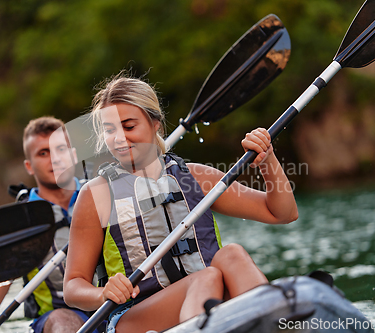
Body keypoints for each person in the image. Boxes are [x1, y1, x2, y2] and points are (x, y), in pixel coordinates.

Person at [63, 75, 299, 333]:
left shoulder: (196, 177)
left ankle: (273, 324)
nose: (119, 139)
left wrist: (268, 160)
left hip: (210, 298)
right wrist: (102, 294)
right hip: (135, 315)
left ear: (156, 125)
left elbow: (283, 213)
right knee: (207, 277)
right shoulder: (95, 195)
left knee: (232, 254)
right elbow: (73, 286)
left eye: (129, 127)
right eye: (110, 131)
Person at [0, 116, 104, 333]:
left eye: (60, 149)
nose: (54, 159)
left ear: (74, 155)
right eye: (43, 153)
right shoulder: (19, 224)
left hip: (112, 303)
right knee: (63, 323)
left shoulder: (102, 196)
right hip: (57, 317)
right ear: (29, 166)